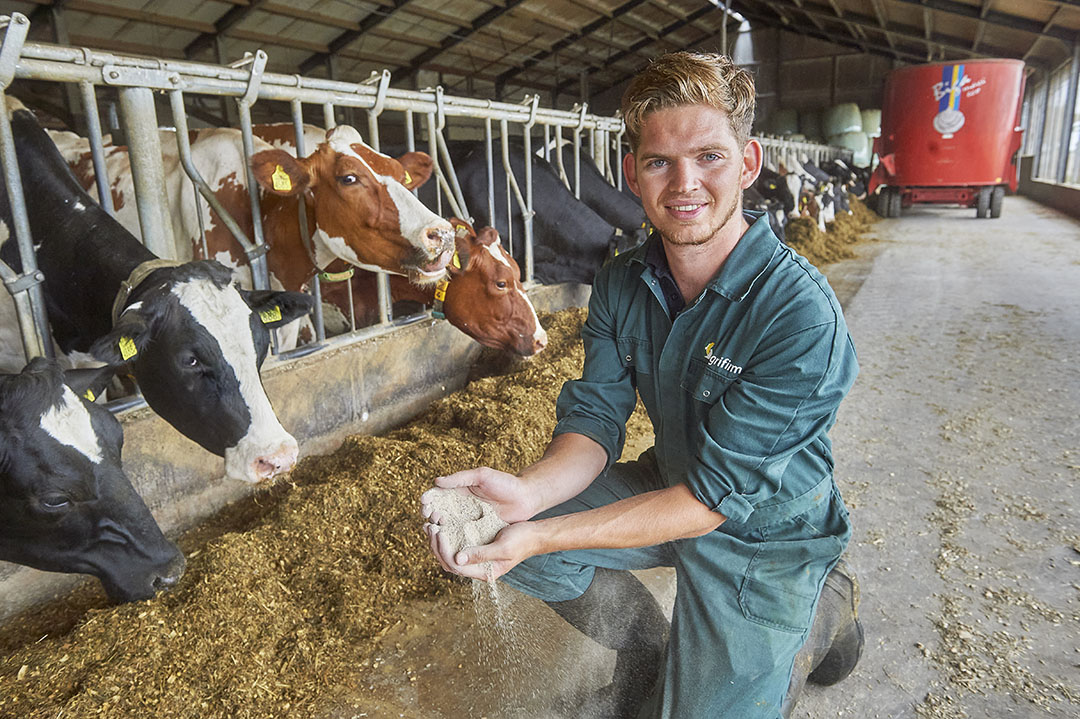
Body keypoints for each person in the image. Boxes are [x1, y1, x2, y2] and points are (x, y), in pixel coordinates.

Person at [422, 51, 863, 719]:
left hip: (768, 530)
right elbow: (596, 418)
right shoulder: (625, 279)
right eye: (660, 161)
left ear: (748, 165)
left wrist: (546, 534)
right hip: (672, 479)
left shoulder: (798, 314)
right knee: (491, 526)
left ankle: (823, 604)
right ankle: (651, 650)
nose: (685, 183)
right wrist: (528, 495)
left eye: (710, 157)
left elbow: (712, 501)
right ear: (632, 173)